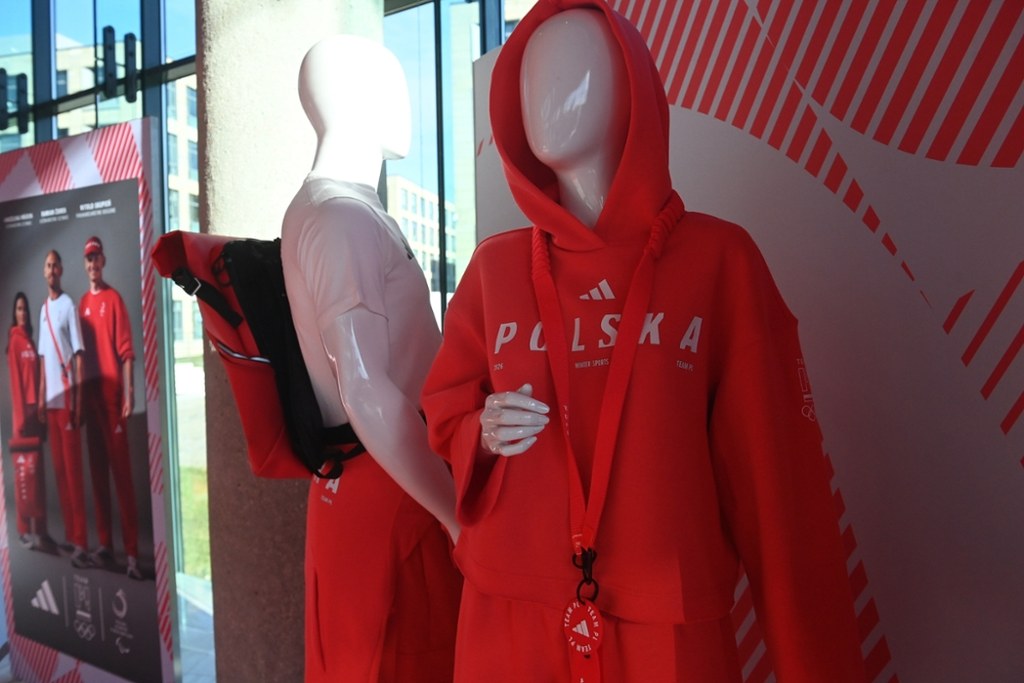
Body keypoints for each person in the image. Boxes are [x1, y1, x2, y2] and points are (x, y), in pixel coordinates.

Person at [421, 1, 867, 681]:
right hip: (507, 617)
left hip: (666, 629)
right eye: (531, 76)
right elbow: (445, 412)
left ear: (632, 86)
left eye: (575, 72)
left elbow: (780, 492)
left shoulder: (720, 261)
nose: (548, 96)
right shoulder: (494, 269)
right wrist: (479, 431)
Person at [279, 35, 462, 683]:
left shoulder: (324, 209)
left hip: (363, 484)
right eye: (391, 82)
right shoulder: (342, 217)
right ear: (354, 97)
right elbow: (365, 387)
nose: (405, 100)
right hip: (399, 491)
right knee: (408, 659)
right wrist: (454, 512)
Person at [78, 236, 141, 580]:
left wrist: (129, 393)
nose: (93, 265)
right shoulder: (82, 305)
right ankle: (105, 545)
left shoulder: (114, 300)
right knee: (98, 476)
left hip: (113, 399)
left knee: (122, 479)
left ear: (103, 262)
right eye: (88, 260)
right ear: (85, 265)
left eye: (96, 259)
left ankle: (131, 554)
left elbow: (126, 352)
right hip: (91, 403)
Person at [37, 250, 91, 569]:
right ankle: (71, 536)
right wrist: (41, 398)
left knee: (73, 473)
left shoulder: (68, 305)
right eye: (48, 265)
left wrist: (79, 401)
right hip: (52, 403)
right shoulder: (43, 310)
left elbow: (79, 357)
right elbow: (44, 358)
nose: (52, 269)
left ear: (61, 270)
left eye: (56, 264)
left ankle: (82, 543)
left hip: (69, 398)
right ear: (44, 272)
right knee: (60, 472)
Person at [6, 292, 48, 549]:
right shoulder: (14, 342)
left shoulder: (30, 342)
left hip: (35, 416)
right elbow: (16, 385)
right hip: (22, 418)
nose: (22, 313)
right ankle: (23, 531)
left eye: (25, 309)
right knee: (23, 475)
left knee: (37, 475)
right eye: (19, 309)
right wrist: (21, 421)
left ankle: (41, 531)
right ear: (15, 313)